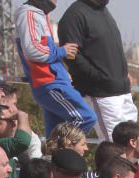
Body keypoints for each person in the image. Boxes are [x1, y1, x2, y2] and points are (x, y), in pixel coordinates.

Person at [14, 0, 96, 138]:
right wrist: (62, 51)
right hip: (50, 83)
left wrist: (63, 70)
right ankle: (61, 152)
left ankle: (53, 157)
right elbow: (32, 50)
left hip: (54, 81)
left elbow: (46, 51)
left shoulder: (39, 14)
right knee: (85, 118)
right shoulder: (28, 13)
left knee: (54, 133)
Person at [58, 0, 137, 141]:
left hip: (123, 91)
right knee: (114, 148)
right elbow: (72, 57)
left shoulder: (103, 11)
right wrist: (100, 78)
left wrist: (122, 74)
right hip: (101, 94)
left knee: (132, 147)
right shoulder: (74, 15)